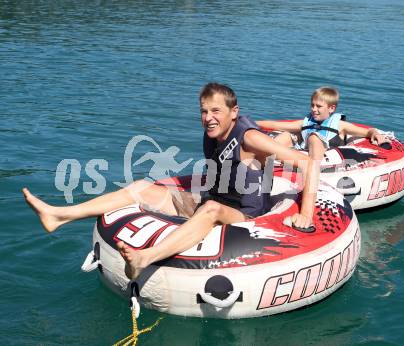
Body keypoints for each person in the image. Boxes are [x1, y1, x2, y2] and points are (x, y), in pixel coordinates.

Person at [23, 83, 318, 280]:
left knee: (211, 210)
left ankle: (144, 259)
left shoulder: (250, 138)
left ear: (233, 113)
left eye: (216, 111)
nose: (208, 117)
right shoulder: (212, 133)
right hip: (212, 199)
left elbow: (307, 162)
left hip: (245, 214)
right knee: (141, 188)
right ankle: (59, 214)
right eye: (204, 111)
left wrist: (305, 215)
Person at [256, 86, 389, 164]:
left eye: (318, 106)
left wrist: (375, 134)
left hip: (324, 157)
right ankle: (261, 161)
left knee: (314, 137)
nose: (314, 109)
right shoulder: (306, 122)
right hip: (301, 151)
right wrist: (251, 123)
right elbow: (274, 124)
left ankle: (312, 168)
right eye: (312, 105)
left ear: (331, 108)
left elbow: (367, 132)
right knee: (285, 135)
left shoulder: (340, 125)